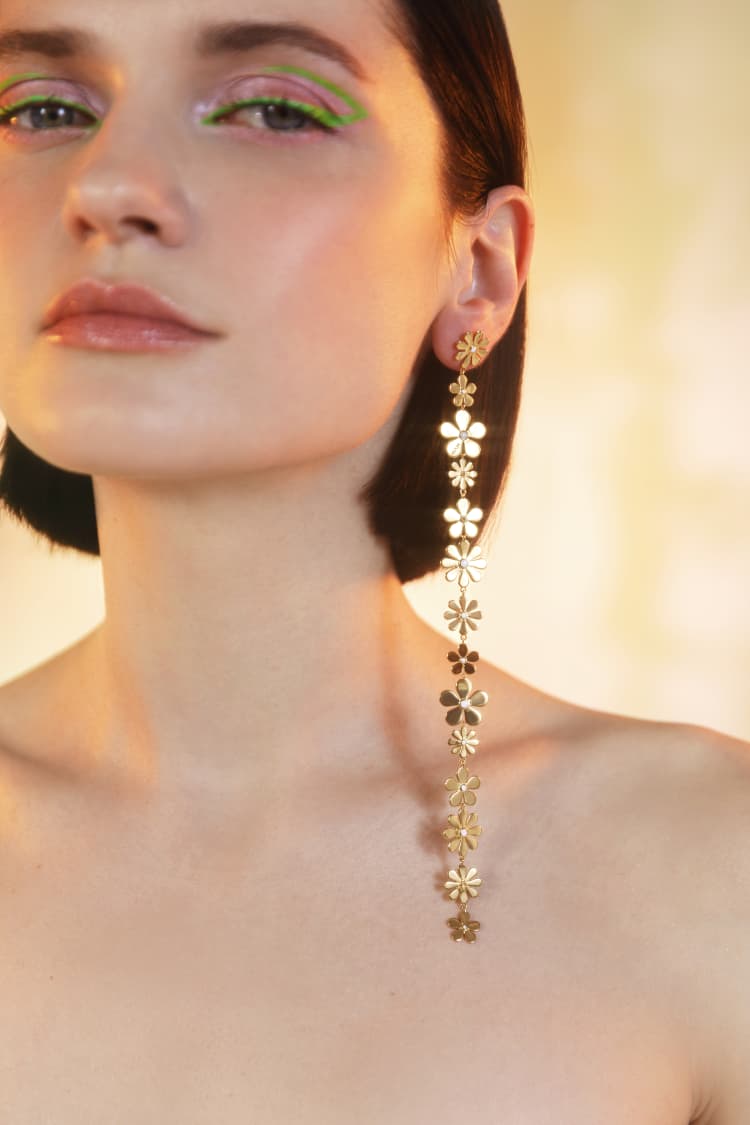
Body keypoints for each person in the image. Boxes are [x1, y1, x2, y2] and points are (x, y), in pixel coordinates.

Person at [0, 0, 747, 1121]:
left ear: (479, 270)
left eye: (272, 109)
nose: (106, 185)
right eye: (44, 108)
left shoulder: (712, 867)